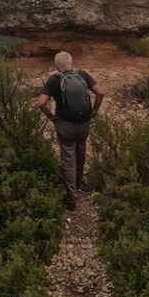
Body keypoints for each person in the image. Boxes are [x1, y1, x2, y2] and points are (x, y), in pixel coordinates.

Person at [36, 51, 105, 210]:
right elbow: (100, 93)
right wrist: (94, 111)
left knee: (68, 160)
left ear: (57, 66)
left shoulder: (54, 81)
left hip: (65, 126)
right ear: (71, 63)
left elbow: (40, 103)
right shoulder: (82, 75)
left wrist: (51, 117)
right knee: (80, 153)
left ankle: (72, 199)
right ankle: (78, 183)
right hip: (83, 124)